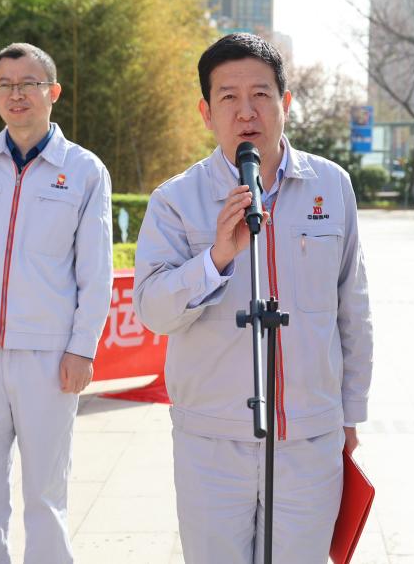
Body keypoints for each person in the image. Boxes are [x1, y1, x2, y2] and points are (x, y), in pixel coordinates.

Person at [133, 33, 373, 563]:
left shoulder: (330, 186)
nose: (246, 112)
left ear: (285, 103)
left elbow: (352, 308)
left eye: (261, 95)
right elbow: (152, 310)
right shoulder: (176, 199)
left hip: (309, 438)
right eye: (228, 97)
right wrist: (215, 258)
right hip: (211, 441)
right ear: (206, 112)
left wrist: (349, 415)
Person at [0, 42, 113, 563]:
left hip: (48, 357)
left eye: (28, 84)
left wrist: (82, 347)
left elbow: (95, 270)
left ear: (53, 92)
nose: (16, 95)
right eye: (5, 85)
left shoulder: (84, 170)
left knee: (46, 496)